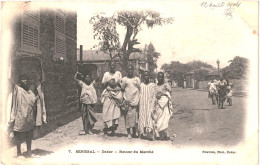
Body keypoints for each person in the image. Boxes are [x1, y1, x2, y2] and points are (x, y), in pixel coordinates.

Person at [8, 74, 46, 157]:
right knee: (18, 134)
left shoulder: (31, 91)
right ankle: (18, 153)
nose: (25, 81)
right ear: (20, 81)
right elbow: (11, 80)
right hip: (20, 116)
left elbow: (35, 101)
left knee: (29, 135)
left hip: (29, 117)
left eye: (26, 79)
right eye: (23, 79)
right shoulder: (18, 89)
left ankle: (29, 152)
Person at [101, 61, 123, 137]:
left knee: (115, 113)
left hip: (116, 95)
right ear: (109, 66)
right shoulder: (106, 74)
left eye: (113, 65)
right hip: (108, 95)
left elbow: (121, 84)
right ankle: (106, 131)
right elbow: (102, 84)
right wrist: (108, 82)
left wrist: (115, 83)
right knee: (106, 112)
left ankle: (113, 130)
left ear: (115, 66)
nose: (112, 67)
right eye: (111, 65)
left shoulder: (118, 74)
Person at [121, 65, 141, 138]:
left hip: (135, 101)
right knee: (127, 118)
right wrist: (123, 99)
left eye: (131, 69)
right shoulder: (124, 79)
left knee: (135, 118)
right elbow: (122, 89)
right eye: (128, 69)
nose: (130, 71)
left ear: (133, 70)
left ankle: (134, 132)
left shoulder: (137, 79)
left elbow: (140, 88)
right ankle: (128, 133)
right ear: (127, 71)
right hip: (127, 101)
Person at [153, 72, 173, 140]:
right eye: (159, 77)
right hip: (157, 104)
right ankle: (158, 134)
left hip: (164, 105)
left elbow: (169, 93)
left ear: (163, 78)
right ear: (157, 78)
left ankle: (164, 135)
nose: (160, 78)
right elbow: (153, 94)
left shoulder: (166, 85)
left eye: (161, 77)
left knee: (164, 119)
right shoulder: (155, 85)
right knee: (157, 119)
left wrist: (162, 94)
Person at [138, 71, 156, 140]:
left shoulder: (152, 85)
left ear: (149, 76)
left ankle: (151, 135)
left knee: (150, 119)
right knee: (142, 118)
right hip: (142, 105)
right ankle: (142, 133)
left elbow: (154, 96)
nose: (146, 77)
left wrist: (152, 106)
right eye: (145, 76)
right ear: (143, 77)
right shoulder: (141, 85)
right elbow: (139, 94)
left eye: (147, 75)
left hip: (149, 105)